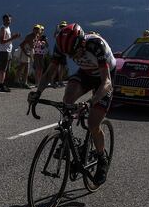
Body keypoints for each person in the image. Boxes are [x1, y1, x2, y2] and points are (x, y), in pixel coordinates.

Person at [28, 23, 115, 185]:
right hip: (86, 73)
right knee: (67, 100)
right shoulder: (62, 46)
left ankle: (102, 159)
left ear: (82, 42)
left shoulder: (96, 45)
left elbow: (106, 82)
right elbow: (49, 73)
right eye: (68, 54)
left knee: (93, 123)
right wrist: (37, 93)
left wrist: (90, 103)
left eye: (74, 53)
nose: (71, 57)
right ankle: (69, 140)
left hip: (105, 78)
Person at [0, 14, 20, 92]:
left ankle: (4, 84)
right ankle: (1, 85)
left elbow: (7, 39)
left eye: (9, 20)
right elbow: (2, 41)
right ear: (3, 20)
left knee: (6, 69)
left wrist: (13, 37)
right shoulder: (3, 28)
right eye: (6, 20)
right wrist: (13, 38)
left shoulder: (8, 28)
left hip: (8, 50)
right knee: (3, 69)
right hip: (4, 51)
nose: (8, 21)